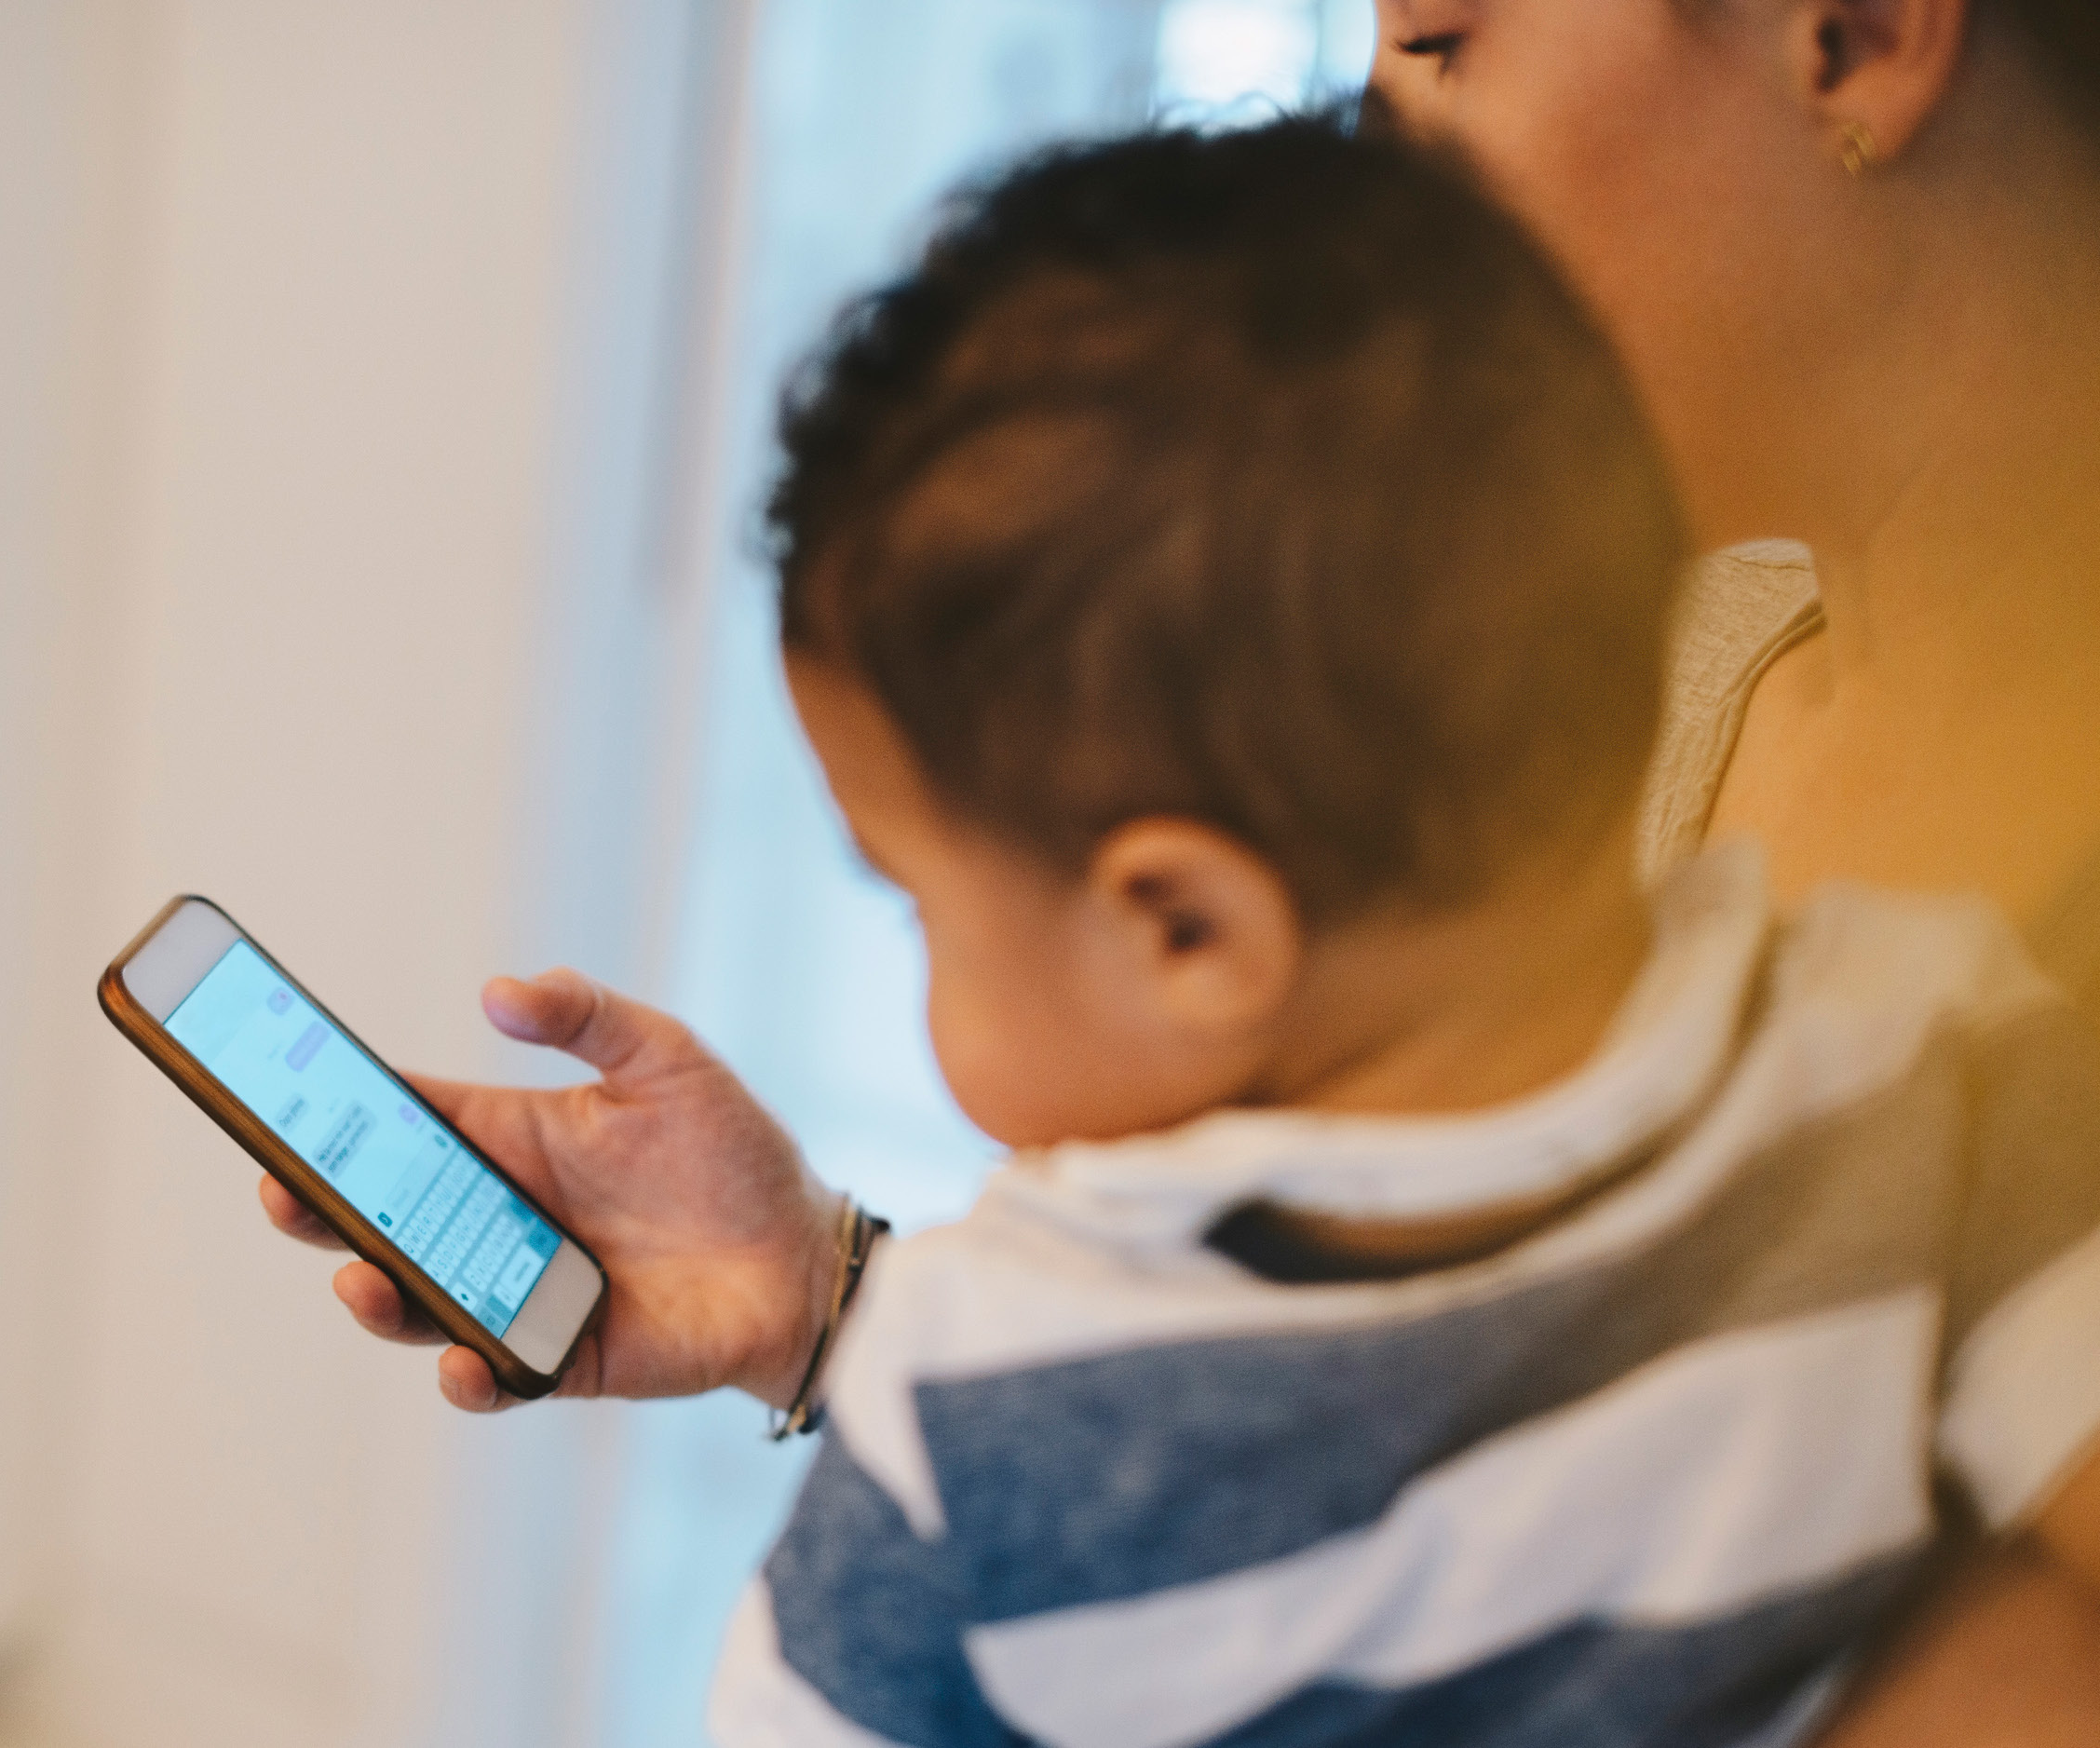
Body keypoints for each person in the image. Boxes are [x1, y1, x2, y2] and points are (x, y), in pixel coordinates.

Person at [261, 0, 2100, 1732]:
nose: (1379, 153)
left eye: (1445, 41)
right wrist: (850, 1311)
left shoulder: (1898, 1003)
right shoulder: (1713, 785)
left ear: (1855, 34)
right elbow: (1477, 1372)